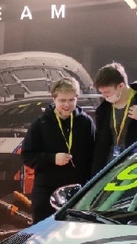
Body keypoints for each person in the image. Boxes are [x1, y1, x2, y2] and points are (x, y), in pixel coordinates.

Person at [21, 78, 96, 223]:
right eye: (62, 100)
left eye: (71, 100)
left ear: (77, 98)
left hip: (78, 192)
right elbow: (27, 156)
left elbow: (94, 156)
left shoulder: (86, 122)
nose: (67, 105)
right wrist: (52, 158)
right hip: (46, 193)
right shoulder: (40, 124)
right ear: (54, 99)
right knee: (44, 233)